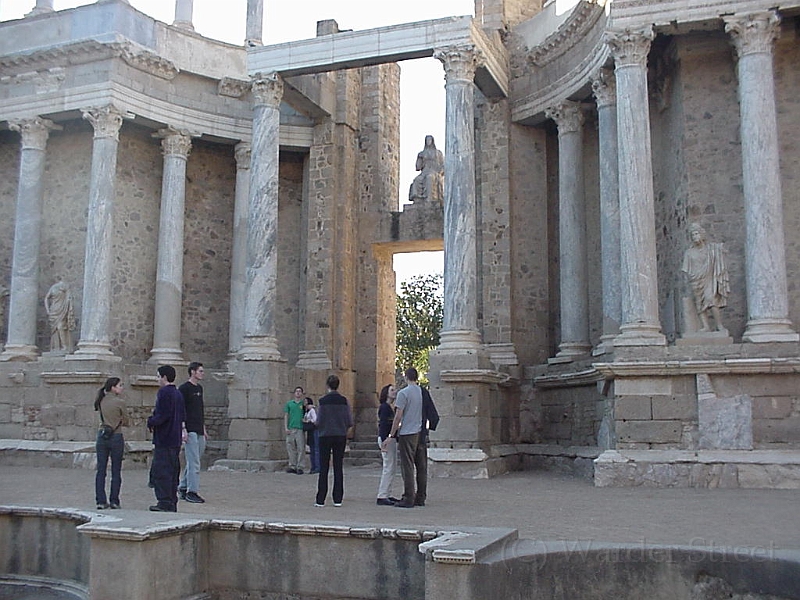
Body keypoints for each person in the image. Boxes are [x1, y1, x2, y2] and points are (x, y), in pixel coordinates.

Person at [384, 367, 426, 508]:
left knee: (407, 466)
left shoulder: (403, 393)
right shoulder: (421, 392)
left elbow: (398, 416)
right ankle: (420, 497)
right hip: (419, 431)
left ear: (406, 377)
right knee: (421, 466)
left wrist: (391, 434)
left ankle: (408, 497)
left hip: (407, 432)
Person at [147, 365, 186, 512]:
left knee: (162, 471)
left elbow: (163, 415)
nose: (158, 380)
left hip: (164, 438)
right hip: (175, 439)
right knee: (172, 471)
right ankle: (171, 501)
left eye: (158, 377)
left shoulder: (164, 393)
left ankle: (164, 502)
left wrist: (151, 421)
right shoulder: (178, 393)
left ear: (164, 377)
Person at [682, 223, 730, 333]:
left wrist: (721, 250)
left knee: (711, 299)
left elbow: (720, 251)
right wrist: (688, 282)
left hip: (708, 278)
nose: (695, 237)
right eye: (693, 235)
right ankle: (705, 326)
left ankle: (719, 325)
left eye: (696, 234)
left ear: (702, 235)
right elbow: (686, 269)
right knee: (699, 303)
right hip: (695, 280)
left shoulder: (711, 250)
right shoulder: (689, 253)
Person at [315, 374, 353, 507]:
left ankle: (321, 499)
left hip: (325, 435)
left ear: (327, 385)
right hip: (340, 435)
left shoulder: (322, 401)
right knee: (338, 466)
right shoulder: (344, 401)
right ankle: (338, 498)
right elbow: (349, 420)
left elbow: (319, 420)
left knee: (324, 467)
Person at [94, 377, 128, 510]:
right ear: (113, 387)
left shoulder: (101, 400)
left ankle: (100, 500)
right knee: (116, 470)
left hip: (102, 435)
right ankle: (114, 500)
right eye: (120, 385)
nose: (121, 388)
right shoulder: (120, 402)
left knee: (101, 470)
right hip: (116, 436)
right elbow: (126, 420)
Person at [178, 362, 206, 504]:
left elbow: (199, 410)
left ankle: (183, 486)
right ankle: (192, 491)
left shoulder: (199, 388)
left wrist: (204, 428)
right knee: (194, 462)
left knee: (195, 459)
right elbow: (181, 410)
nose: (202, 373)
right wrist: (183, 429)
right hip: (189, 429)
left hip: (199, 428)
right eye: (200, 371)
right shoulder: (184, 389)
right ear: (193, 372)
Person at [376, 383, 400, 506]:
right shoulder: (384, 407)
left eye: (394, 390)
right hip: (387, 440)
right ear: (386, 393)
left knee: (391, 467)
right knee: (388, 467)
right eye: (391, 390)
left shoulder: (389, 407)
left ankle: (387, 493)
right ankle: (382, 495)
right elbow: (383, 425)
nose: (394, 391)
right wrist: (386, 439)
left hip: (389, 439)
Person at [408, 135, 444, 204]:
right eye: (427, 140)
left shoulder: (438, 153)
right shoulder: (422, 153)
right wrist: (419, 158)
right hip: (425, 171)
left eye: (429, 140)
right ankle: (417, 198)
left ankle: (430, 199)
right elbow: (418, 168)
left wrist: (440, 173)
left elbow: (443, 165)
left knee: (429, 178)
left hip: (434, 172)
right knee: (417, 180)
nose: (428, 142)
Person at [45, 280, 75, 352]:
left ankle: (65, 346)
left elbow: (69, 298)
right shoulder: (53, 288)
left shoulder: (65, 288)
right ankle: (56, 347)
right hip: (53, 310)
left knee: (60, 326)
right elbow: (46, 298)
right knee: (55, 330)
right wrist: (47, 310)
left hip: (62, 309)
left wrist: (69, 306)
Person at [285, 386, 306, 474]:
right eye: (296, 391)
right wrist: (286, 427)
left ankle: (300, 466)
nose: (298, 393)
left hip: (300, 428)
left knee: (301, 448)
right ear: (294, 393)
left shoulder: (303, 404)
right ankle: (292, 465)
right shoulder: (289, 403)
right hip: (291, 427)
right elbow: (286, 415)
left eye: (300, 391)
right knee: (291, 447)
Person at [303, 397, 320, 475]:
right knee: (312, 449)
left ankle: (317, 467)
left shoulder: (312, 410)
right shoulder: (306, 411)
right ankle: (313, 466)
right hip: (310, 431)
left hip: (314, 430)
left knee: (315, 449)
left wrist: (308, 421)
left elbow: (315, 420)